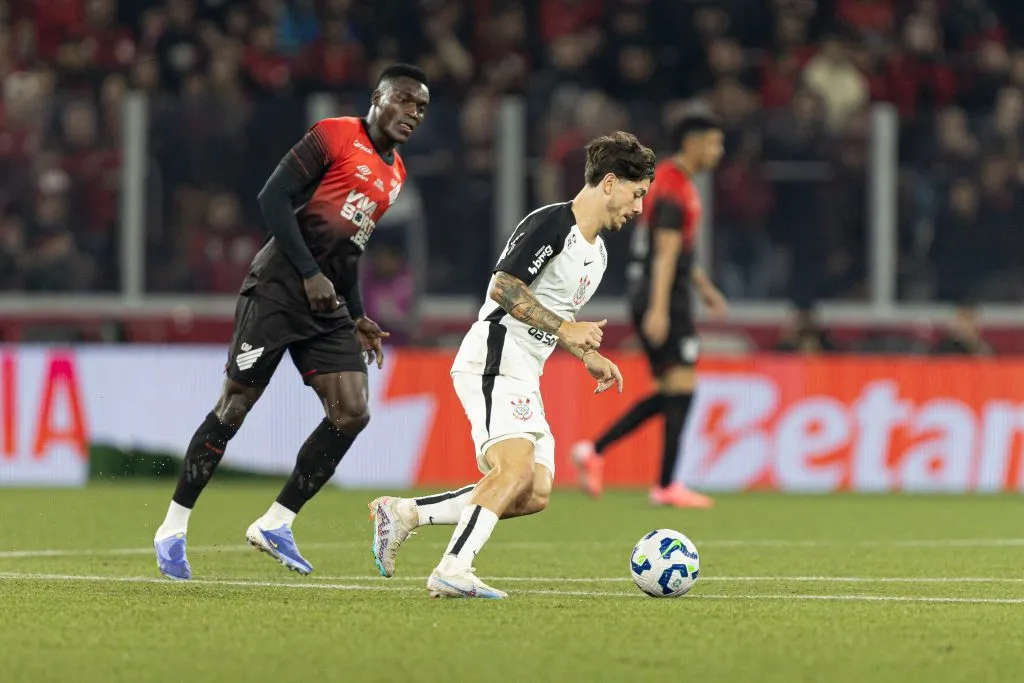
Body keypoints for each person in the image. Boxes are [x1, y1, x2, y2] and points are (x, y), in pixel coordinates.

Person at [153, 64, 430, 581]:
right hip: (280, 289)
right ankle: (171, 528)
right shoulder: (334, 135)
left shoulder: (396, 176)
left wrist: (357, 312)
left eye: (422, 108)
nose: (414, 113)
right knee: (234, 408)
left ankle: (276, 522)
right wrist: (307, 273)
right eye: (407, 100)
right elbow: (271, 198)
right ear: (379, 97)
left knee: (352, 412)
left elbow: (350, 250)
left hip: (326, 307)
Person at [368, 131, 656, 598]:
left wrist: (587, 353)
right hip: (493, 357)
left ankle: (407, 513)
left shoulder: (598, 253)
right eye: (637, 194)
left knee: (535, 491)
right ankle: (452, 568)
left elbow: (551, 313)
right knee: (514, 470)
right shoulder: (551, 225)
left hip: (525, 369)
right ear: (609, 183)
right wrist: (567, 331)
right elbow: (503, 289)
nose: (639, 208)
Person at [571, 114, 728, 508]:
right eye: (713, 143)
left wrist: (704, 289)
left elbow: (677, 249)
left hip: (659, 291)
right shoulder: (676, 186)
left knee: (672, 391)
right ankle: (664, 484)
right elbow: (667, 250)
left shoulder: (670, 183)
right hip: (664, 296)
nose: (718, 152)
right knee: (683, 388)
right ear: (692, 144)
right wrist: (660, 308)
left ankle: (596, 450)